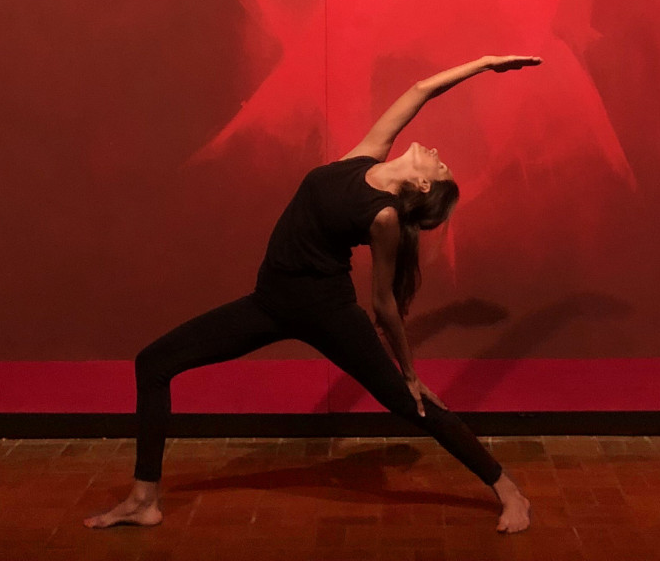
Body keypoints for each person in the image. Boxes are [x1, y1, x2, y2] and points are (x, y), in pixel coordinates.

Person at [84, 54, 541, 533]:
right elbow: (420, 90)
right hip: (269, 303)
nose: (437, 153)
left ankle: (508, 489)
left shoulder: (383, 217)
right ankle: (144, 500)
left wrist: (408, 370)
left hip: (327, 312)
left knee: (413, 405)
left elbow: (383, 303)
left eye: (440, 167)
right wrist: (487, 63)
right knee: (153, 363)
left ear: (422, 183)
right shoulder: (363, 157)